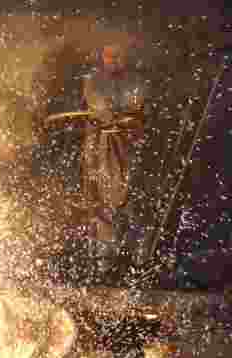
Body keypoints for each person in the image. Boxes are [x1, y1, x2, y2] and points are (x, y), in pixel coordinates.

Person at [81, 42, 149, 277]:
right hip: (100, 146)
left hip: (127, 145)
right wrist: (110, 116)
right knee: (100, 200)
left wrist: (120, 117)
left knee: (130, 199)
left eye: (117, 56)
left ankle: (137, 261)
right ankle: (102, 262)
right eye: (108, 56)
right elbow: (97, 104)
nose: (113, 60)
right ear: (102, 57)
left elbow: (135, 102)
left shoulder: (135, 81)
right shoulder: (93, 81)